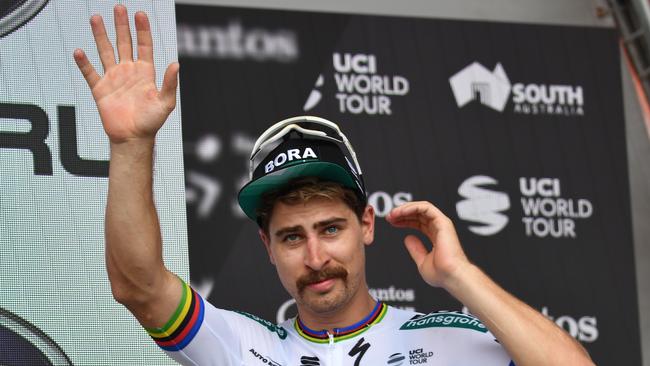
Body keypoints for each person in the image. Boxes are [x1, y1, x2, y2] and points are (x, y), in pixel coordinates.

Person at [74, 5, 595, 365]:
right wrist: (131, 144)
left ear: (366, 224)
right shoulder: (243, 348)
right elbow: (137, 285)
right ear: (267, 247)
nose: (316, 256)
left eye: (330, 228)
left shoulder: (445, 342)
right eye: (292, 237)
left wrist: (460, 276)